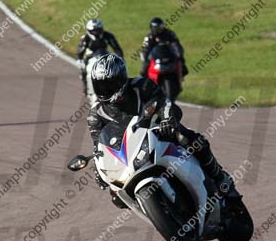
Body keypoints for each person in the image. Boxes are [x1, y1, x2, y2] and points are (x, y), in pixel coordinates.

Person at [87, 54, 240, 209]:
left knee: (192, 140)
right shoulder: (95, 114)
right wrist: (99, 170)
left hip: (159, 131)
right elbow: (99, 145)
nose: (106, 90)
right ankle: (156, 209)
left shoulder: (142, 86)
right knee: (116, 198)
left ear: (122, 79)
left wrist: (167, 119)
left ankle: (220, 178)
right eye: (101, 86)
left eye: (110, 84)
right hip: (130, 151)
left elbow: (164, 102)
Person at [76, 19, 124, 95]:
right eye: (94, 31)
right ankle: (86, 86)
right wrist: (80, 60)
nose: (96, 32)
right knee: (83, 68)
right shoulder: (85, 38)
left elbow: (117, 48)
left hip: (105, 55)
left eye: (98, 30)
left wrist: (120, 57)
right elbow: (80, 52)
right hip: (90, 57)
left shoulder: (108, 36)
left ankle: (121, 85)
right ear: (89, 31)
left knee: (117, 67)